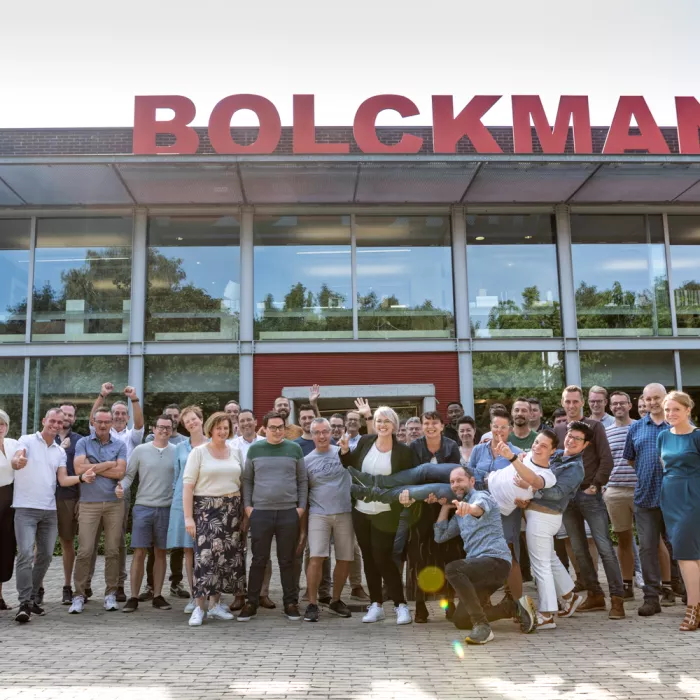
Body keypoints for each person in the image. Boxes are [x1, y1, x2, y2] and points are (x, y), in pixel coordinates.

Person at [12, 408, 96, 623]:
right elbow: (17, 459)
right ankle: (24, 602)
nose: (56, 424)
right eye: (53, 420)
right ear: (44, 421)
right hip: (25, 508)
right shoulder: (27, 440)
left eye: (59, 422)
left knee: (47, 555)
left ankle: (30, 599)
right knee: (25, 554)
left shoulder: (59, 451)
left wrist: (81, 477)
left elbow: (63, 480)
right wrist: (17, 462)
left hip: (49, 510)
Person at [553, 385, 625, 618]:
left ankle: (617, 599)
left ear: (582, 402)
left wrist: (597, 484)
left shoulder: (595, 427)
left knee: (605, 548)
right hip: (568, 498)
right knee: (578, 550)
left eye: (575, 401)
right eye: (568, 402)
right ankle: (595, 596)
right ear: (563, 403)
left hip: (590, 495)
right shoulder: (559, 429)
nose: (571, 406)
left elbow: (606, 459)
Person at [339, 406, 414, 625]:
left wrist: (407, 496)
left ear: (394, 426)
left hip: (385, 512)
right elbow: (350, 465)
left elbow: (408, 479)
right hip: (361, 511)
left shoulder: (404, 452)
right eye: (379, 421)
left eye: (387, 421)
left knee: (383, 557)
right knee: (369, 559)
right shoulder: (365, 442)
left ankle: (401, 605)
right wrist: (344, 451)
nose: (382, 425)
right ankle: (376, 605)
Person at [517, 424, 588, 629]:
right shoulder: (556, 456)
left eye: (577, 439)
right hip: (538, 514)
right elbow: (534, 460)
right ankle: (570, 596)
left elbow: (556, 493)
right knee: (550, 559)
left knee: (541, 566)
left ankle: (547, 615)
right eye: (570, 436)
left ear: (586, 444)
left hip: (544, 516)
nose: (571, 440)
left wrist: (530, 488)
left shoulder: (575, 468)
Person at [239, 411, 308, 622]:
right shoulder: (255, 449)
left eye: (280, 427)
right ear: (265, 428)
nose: (277, 431)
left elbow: (302, 480)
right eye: (273, 427)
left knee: (287, 560)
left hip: (288, 512)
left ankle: (290, 603)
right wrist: (249, 507)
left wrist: (301, 508)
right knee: (259, 560)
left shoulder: (294, 449)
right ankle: (251, 603)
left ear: (284, 428)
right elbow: (247, 480)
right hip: (261, 513)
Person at [434, 466, 512, 645]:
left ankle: (482, 626)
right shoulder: (460, 513)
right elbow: (440, 537)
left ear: (471, 481)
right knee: (460, 620)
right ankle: (510, 608)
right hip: (477, 572)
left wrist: (468, 508)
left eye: (459, 480)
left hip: (496, 563)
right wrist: (446, 507)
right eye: (452, 482)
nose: (455, 485)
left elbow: (478, 508)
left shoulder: (481, 497)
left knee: (453, 569)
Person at [183, 412, 245, 626]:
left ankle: (216, 604)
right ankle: (199, 607)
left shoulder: (236, 452)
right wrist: (188, 518)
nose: (222, 431)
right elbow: (188, 486)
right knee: (205, 558)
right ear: (210, 429)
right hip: (206, 510)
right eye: (218, 427)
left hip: (232, 509)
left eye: (226, 428)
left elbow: (242, 483)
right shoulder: (198, 452)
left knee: (225, 559)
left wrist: (243, 514)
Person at [623, 383, 678, 616]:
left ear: (666, 398)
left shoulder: (680, 425)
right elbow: (631, 459)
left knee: (683, 547)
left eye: (657, 397)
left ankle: (689, 594)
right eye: (649, 399)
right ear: (643, 401)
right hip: (645, 499)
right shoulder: (636, 429)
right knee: (647, 549)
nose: (653, 402)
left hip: (676, 499)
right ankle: (651, 598)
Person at [68, 407, 127, 615]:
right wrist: (108, 464)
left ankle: (110, 593)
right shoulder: (83, 442)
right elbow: (78, 469)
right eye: (99, 421)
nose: (103, 425)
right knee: (84, 551)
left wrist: (94, 465)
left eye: (106, 422)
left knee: (112, 551)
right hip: (88, 504)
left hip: (113, 504)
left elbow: (120, 471)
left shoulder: (120, 444)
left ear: (111, 423)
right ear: (93, 422)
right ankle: (79, 595)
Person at [404, 411, 460, 623]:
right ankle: (420, 605)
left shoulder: (451, 446)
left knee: (447, 553)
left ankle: (449, 602)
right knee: (420, 556)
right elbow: (410, 476)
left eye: (434, 423)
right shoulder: (415, 447)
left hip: (446, 506)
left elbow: (456, 477)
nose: (430, 427)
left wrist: (442, 498)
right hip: (420, 509)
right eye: (426, 423)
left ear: (442, 426)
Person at [91, 382, 145, 601]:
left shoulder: (132, 436)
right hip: (95, 487)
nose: (120, 416)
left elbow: (140, 424)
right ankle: (85, 586)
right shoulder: (101, 430)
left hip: (121, 488)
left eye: (124, 413)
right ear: (110, 417)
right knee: (91, 539)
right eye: (116, 413)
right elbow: (93, 416)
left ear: (127, 417)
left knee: (118, 539)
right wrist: (102, 394)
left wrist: (134, 399)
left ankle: (118, 584)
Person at [118, 414, 177, 613]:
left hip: (166, 508)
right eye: (160, 427)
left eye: (168, 428)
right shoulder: (140, 450)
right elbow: (129, 476)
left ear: (172, 430)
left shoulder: (176, 452)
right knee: (139, 552)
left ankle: (158, 595)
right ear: (153, 428)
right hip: (143, 507)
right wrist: (121, 488)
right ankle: (133, 597)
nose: (164, 430)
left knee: (161, 553)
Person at [468, 407, 524, 608]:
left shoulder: (516, 453)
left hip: (507, 511)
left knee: (509, 553)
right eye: (495, 426)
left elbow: (521, 480)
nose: (499, 431)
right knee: (482, 553)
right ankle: (483, 602)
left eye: (503, 427)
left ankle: (517, 604)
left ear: (509, 429)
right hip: (482, 510)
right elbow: (470, 477)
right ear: (490, 428)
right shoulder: (477, 450)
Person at [302, 418, 354, 622]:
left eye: (325, 432)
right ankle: (313, 603)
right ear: (312, 434)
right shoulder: (306, 461)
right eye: (317, 432)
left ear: (332, 432)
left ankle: (336, 600)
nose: (322, 436)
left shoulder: (342, 452)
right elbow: (303, 492)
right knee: (316, 557)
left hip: (345, 512)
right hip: (318, 513)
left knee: (345, 558)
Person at [658, 391, 700, 631]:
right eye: (667, 410)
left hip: (694, 496)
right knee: (692, 554)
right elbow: (665, 466)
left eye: (676, 409)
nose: (671, 414)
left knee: (685, 554)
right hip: (670, 496)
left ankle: (692, 609)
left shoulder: (697, 436)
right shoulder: (663, 436)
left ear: (687, 410)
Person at [228, 409, 275, 611]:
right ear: (237, 424)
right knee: (236, 551)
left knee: (262, 550)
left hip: (261, 502)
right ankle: (239, 594)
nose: (246, 423)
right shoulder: (231, 446)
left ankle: (263, 593)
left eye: (249, 420)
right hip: (235, 502)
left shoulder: (266, 443)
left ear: (256, 422)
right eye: (242, 421)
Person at [142, 404, 188, 602]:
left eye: (176, 416)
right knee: (155, 546)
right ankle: (151, 585)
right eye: (169, 416)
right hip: (156, 500)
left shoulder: (185, 443)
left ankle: (176, 583)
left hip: (176, 500)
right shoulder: (151, 440)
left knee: (177, 546)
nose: (173, 419)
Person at [167, 405, 205, 615]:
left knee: (206, 550)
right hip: (183, 503)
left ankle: (209, 594)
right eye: (187, 421)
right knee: (189, 550)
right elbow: (176, 477)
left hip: (206, 502)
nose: (192, 423)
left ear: (201, 419)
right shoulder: (180, 448)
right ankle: (193, 595)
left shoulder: (212, 444)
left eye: (194, 419)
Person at [602, 391, 640, 600]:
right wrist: (604, 486)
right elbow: (604, 461)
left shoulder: (639, 427)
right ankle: (627, 584)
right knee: (623, 539)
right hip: (615, 491)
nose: (618, 407)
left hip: (640, 489)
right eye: (614, 404)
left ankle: (664, 585)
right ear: (611, 407)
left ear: (629, 405)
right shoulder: (606, 432)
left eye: (622, 403)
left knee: (651, 540)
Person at [51, 402, 83, 607]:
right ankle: (38, 588)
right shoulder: (46, 437)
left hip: (69, 497)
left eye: (71, 415)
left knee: (67, 542)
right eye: (64, 414)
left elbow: (81, 472)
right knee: (40, 546)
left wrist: (81, 498)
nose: (67, 418)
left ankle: (66, 586)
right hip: (44, 496)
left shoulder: (79, 440)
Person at [0, 409, 19, 610]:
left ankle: (0, 597)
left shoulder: (13, 444)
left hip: (10, 502)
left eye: (2, 424)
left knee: (5, 549)